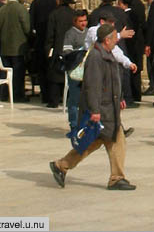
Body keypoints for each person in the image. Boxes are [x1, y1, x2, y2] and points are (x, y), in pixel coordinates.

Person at [49, 24, 136, 191]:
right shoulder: (96, 57)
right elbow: (93, 86)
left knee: (92, 143)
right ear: (106, 40)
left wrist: (120, 98)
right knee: (116, 140)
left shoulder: (107, 54)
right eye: (114, 39)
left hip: (109, 107)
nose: (115, 42)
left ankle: (61, 165)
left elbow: (112, 81)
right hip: (102, 109)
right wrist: (95, 111)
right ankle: (116, 178)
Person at [0, 0, 31, 102]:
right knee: (18, 73)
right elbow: (27, 28)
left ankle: (3, 94)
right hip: (18, 48)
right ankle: (17, 95)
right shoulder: (21, 9)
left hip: (4, 46)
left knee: (5, 71)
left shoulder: (2, 9)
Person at [116, 0, 146, 101]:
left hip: (132, 40)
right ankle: (135, 94)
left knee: (133, 66)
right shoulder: (137, 1)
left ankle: (133, 94)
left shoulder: (132, 4)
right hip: (137, 40)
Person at [45, 0, 76, 108]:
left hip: (57, 47)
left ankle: (54, 101)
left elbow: (50, 34)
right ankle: (68, 99)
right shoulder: (74, 14)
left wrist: (47, 48)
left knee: (55, 74)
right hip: (70, 47)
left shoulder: (54, 14)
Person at [29, 0, 57, 103]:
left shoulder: (37, 2)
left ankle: (45, 95)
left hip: (41, 40)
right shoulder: (57, 3)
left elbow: (31, 22)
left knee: (42, 69)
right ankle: (54, 96)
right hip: (53, 41)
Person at [62, 9, 89, 130]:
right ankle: (73, 124)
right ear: (75, 22)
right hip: (75, 70)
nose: (83, 23)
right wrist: (80, 52)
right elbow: (66, 52)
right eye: (80, 21)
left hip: (87, 70)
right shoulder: (70, 34)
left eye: (85, 20)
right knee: (74, 98)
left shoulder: (89, 32)